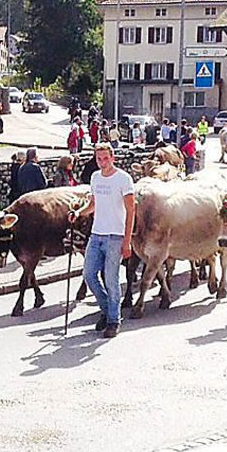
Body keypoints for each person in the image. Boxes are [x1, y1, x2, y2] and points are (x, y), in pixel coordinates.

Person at [70, 142, 135, 338]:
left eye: (106, 158)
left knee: (111, 279)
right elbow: (93, 204)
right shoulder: (95, 178)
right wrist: (78, 213)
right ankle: (107, 310)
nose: (102, 162)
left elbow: (131, 210)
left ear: (113, 158)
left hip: (115, 236)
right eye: (99, 159)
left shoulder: (124, 179)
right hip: (97, 234)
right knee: (89, 275)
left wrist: (127, 241)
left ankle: (114, 321)